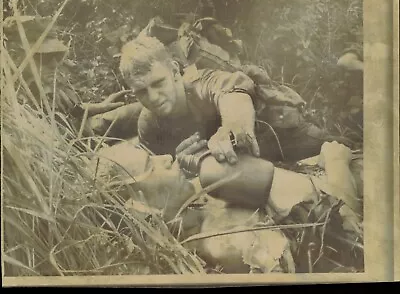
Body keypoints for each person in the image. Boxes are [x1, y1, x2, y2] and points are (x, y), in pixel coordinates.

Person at [92, 135, 363, 273]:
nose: (164, 157)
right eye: (149, 165)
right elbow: (349, 237)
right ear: (137, 206)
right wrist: (337, 160)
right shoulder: (226, 243)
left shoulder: (197, 198)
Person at [118, 35, 344, 166]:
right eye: (141, 91)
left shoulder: (199, 84)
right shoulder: (148, 125)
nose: (153, 97)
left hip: (277, 137)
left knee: (344, 150)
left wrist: (231, 128)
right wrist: (182, 165)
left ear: (175, 71)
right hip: (242, 172)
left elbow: (232, 91)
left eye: (158, 83)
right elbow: (165, 178)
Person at [3, 15, 143, 141]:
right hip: (79, 148)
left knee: (143, 111)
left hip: (84, 132)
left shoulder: (40, 85)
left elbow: (74, 111)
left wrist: (102, 106)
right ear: (15, 55)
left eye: (56, 56)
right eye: (43, 57)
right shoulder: (13, 104)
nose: (54, 64)